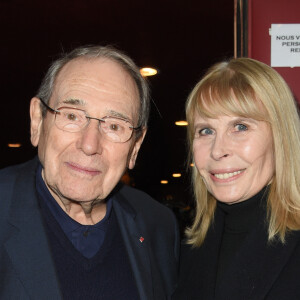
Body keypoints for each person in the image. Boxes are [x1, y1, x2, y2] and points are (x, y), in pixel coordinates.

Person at [0, 45, 179, 300]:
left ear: (135, 147)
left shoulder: (158, 225)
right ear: (37, 121)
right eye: (72, 116)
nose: (89, 144)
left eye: (114, 126)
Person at [172, 57, 300, 300]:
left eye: (240, 127)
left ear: (281, 138)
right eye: (206, 131)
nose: (217, 150)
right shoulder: (187, 249)